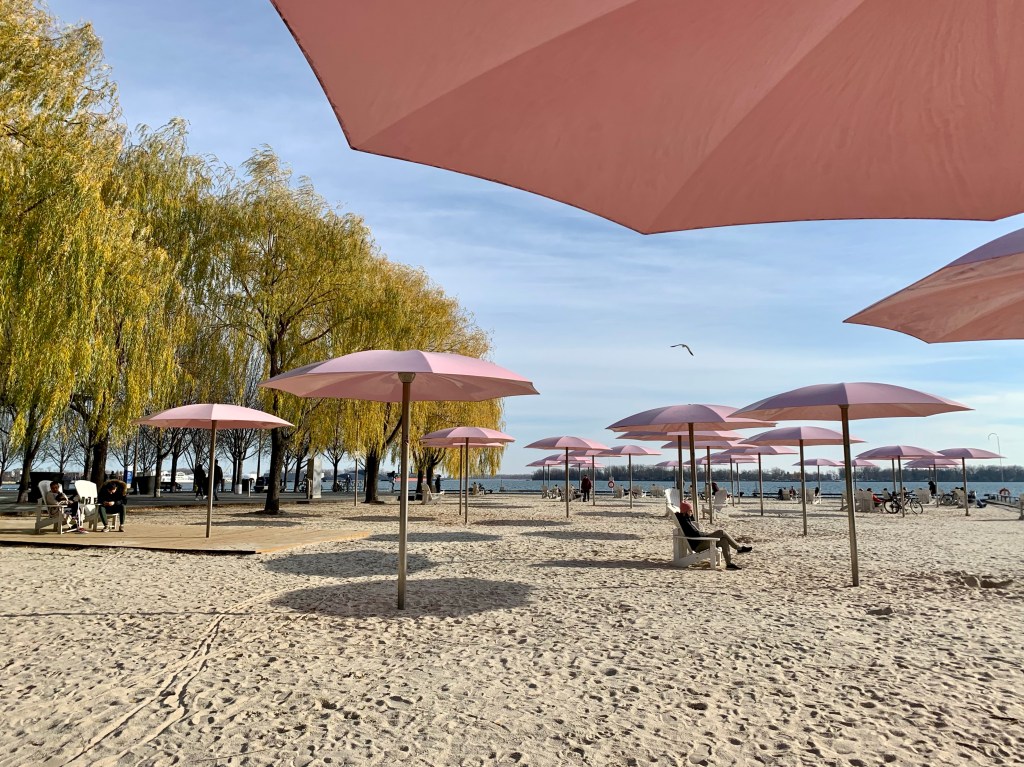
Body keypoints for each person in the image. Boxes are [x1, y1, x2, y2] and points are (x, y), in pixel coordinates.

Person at [674, 500, 751, 570]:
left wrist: (690, 516)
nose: (692, 512)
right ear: (686, 511)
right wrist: (708, 535)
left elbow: (695, 531)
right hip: (698, 545)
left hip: (700, 541)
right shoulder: (685, 522)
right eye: (690, 510)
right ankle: (738, 548)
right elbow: (696, 534)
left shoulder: (686, 519)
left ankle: (729, 564)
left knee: (723, 541)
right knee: (721, 532)